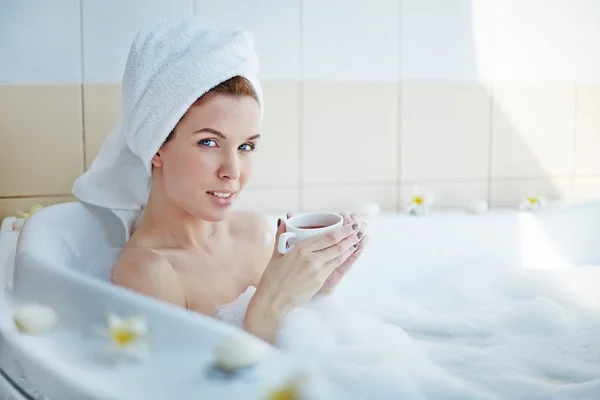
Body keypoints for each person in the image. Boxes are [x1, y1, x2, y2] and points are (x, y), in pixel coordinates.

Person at [71, 17, 370, 345]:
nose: (233, 171)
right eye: (209, 143)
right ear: (156, 147)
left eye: (246, 146)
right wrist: (268, 308)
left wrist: (319, 290)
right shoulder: (147, 273)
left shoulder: (254, 233)